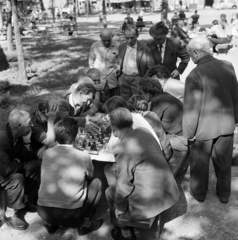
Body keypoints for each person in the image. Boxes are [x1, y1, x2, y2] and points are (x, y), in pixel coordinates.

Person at [105, 108, 179, 240]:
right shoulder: (144, 131)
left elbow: (123, 187)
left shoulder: (123, 148)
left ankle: (124, 232)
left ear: (113, 128)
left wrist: (120, 208)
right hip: (167, 190)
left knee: (110, 192)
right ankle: (125, 230)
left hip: (148, 201)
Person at [183, 36, 238, 203]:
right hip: (226, 124)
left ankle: (199, 194)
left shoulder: (195, 74)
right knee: (224, 163)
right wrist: (236, 119)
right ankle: (224, 194)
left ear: (195, 52)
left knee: (199, 164)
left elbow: (191, 109)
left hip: (202, 129)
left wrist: (189, 132)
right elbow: (235, 95)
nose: (190, 58)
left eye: (190, 54)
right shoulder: (227, 65)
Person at [37, 117, 103, 235]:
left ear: (56, 137)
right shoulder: (83, 156)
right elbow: (90, 176)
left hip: (43, 212)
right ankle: (85, 223)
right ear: (77, 137)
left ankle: (51, 224)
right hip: (71, 216)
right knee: (97, 183)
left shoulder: (47, 153)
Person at [0, 109, 41, 230]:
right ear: (19, 126)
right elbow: (6, 171)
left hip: (6, 165)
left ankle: (27, 200)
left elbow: (25, 157)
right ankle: (10, 215)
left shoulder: (16, 134)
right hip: (3, 169)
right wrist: (17, 161)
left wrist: (27, 142)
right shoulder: (1, 139)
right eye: (29, 123)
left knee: (34, 165)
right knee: (16, 179)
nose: (32, 125)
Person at [140, 78, 187, 151]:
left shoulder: (157, 102)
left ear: (148, 94)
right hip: (185, 133)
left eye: (142, 93)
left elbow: (151, 125)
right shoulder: (165, 94)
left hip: (181, 138)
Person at [118, 26, 155, 101]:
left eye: (132, 38)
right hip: (124, 78)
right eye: (127, 38)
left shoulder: (145, 49)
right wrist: (120, 77)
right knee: (125, 102)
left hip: (137, 78)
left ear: (137, 36)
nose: (129, 40)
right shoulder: (121, 46)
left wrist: (143, 80)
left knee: (138, 101)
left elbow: (151, 68)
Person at [89, 29, 120, 101]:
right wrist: (94, 76)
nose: (106, 42)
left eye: (109, 40)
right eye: (104, 40)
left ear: (112, 36)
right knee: (99, 99)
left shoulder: (118, 46)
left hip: (113, 78)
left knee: (113, 99)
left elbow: (120, 61)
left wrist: (118, 69)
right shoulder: (95, 46)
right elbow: (91, 62)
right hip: (99, 79)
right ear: (100, 37)